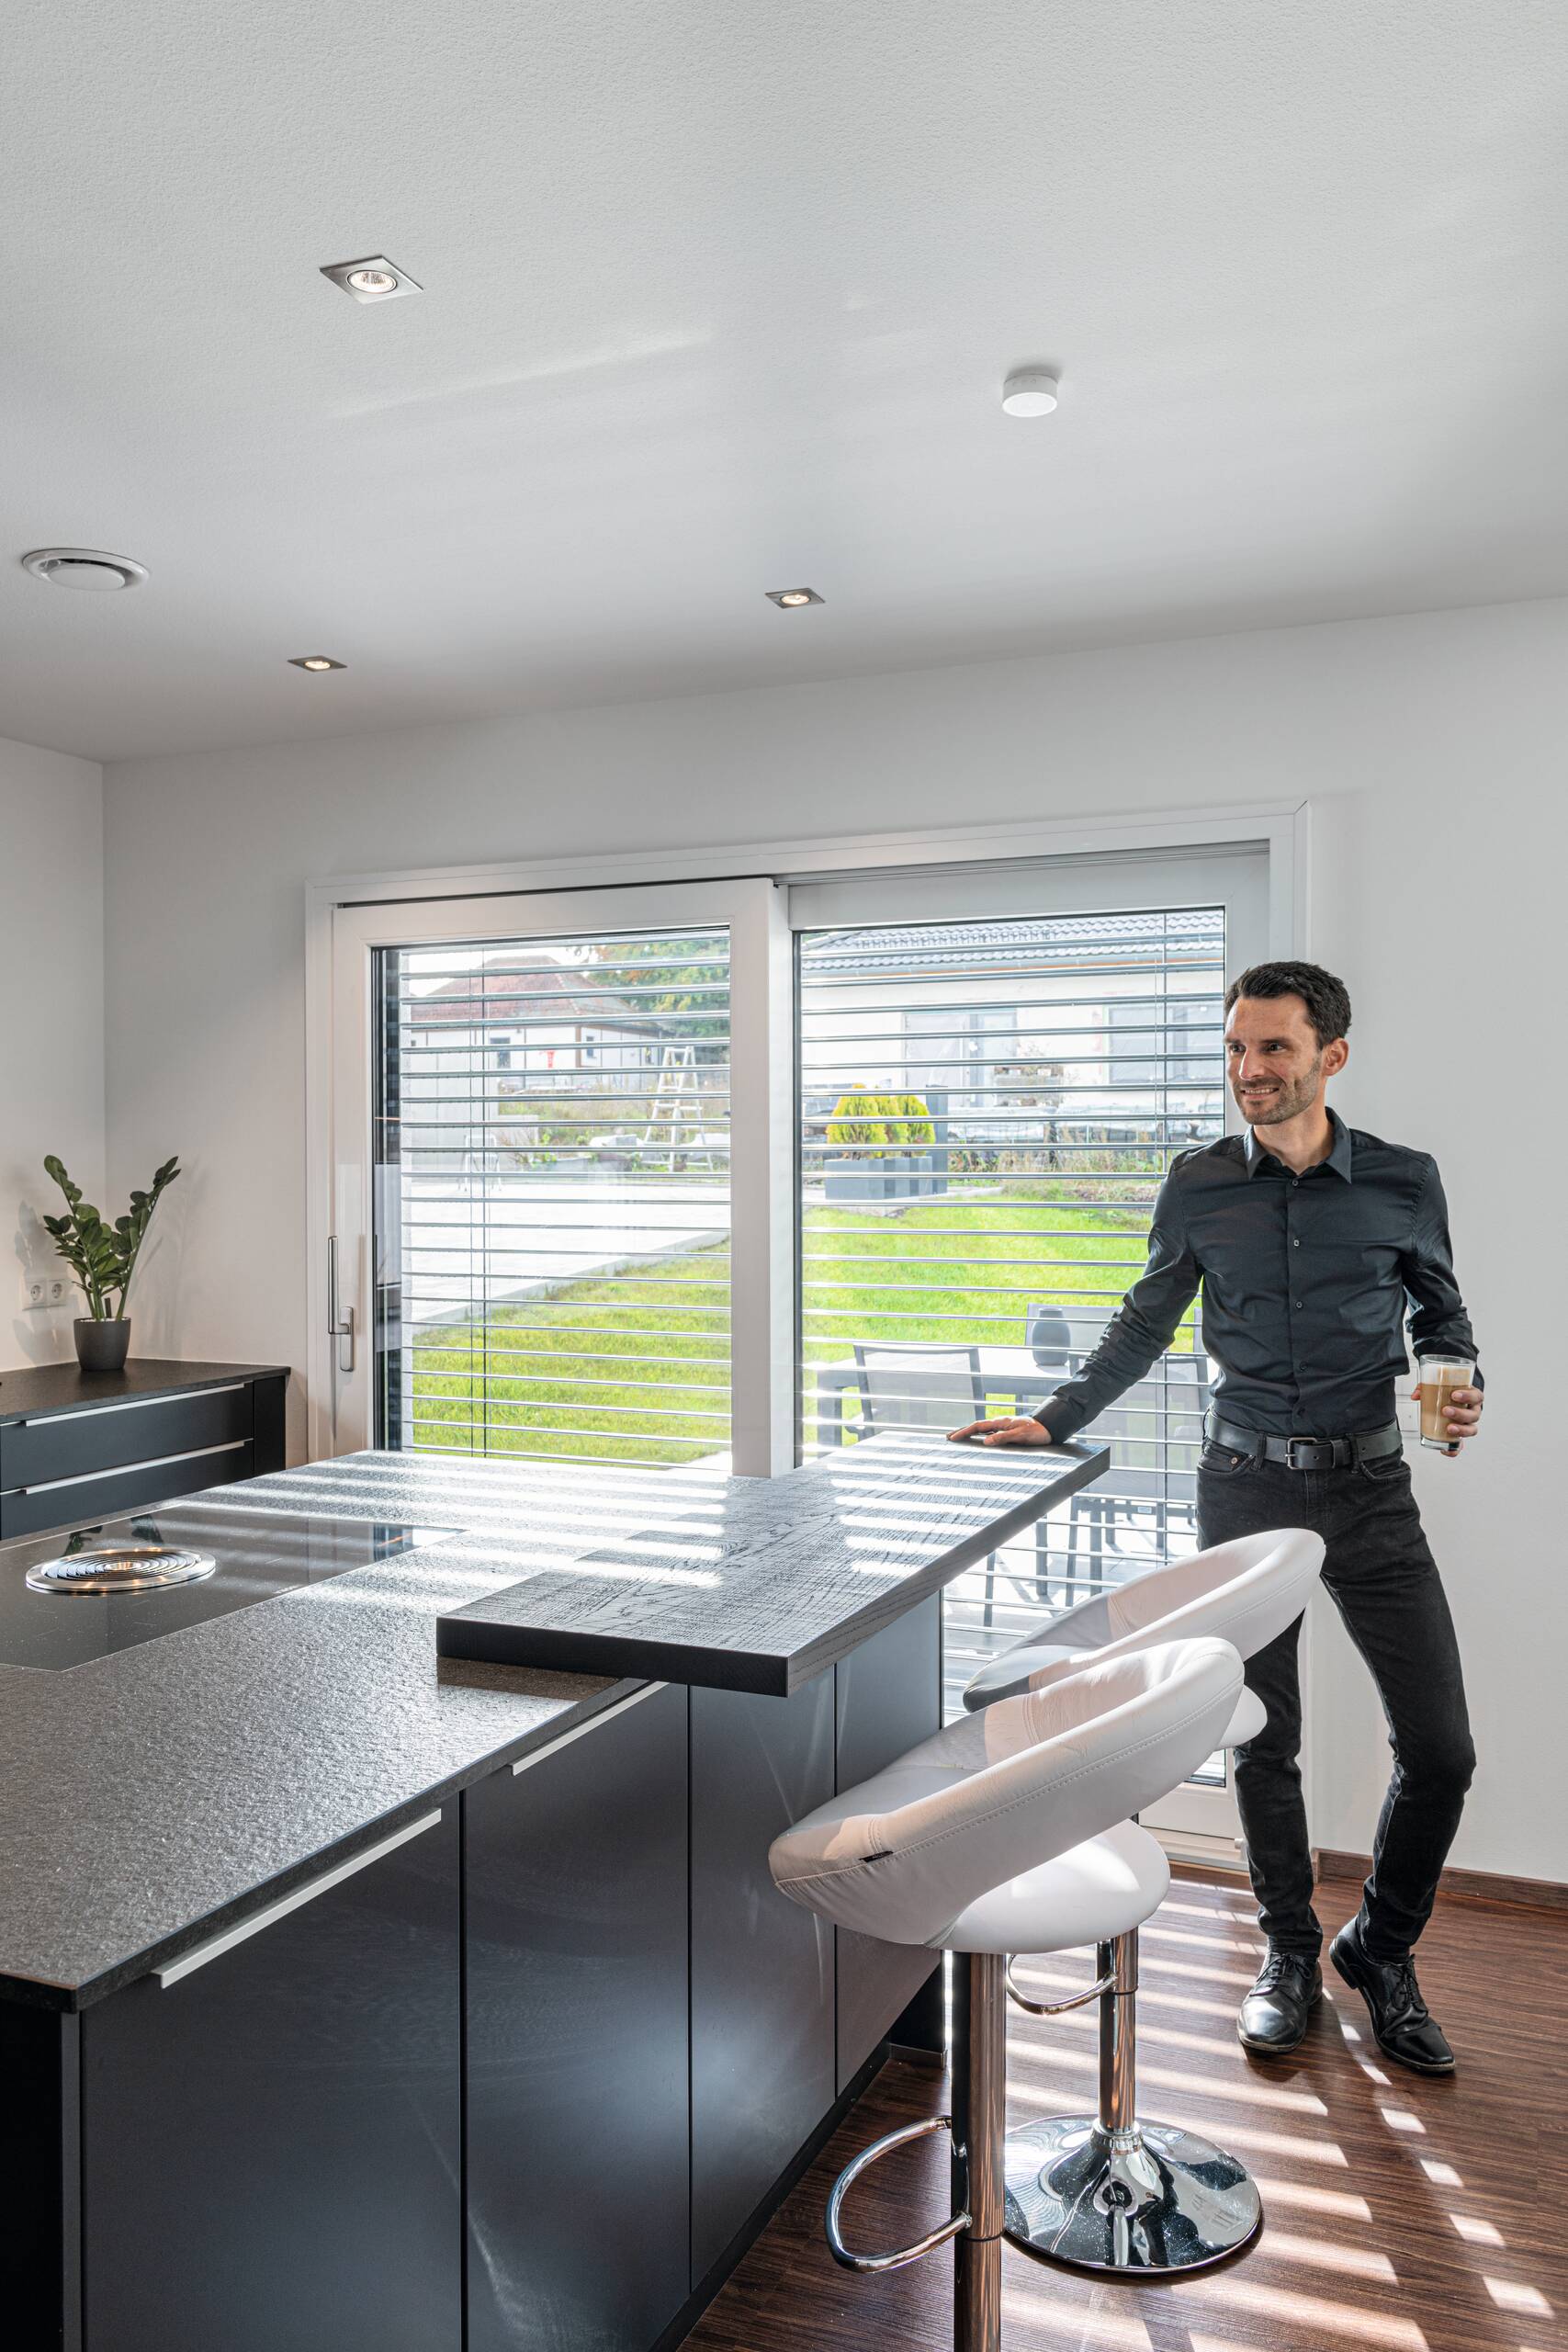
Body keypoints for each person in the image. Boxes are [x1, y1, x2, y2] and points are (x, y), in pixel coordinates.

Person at [949, 960, 1480, 2075]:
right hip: (1244, 1485)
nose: (1249, 1068)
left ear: (1331, 1055)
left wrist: (1458, 1374)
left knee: (1442, 1749)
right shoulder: (1198, 1184)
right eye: (1237, 1046)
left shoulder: (1404, 1179)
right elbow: (1145, 1321)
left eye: (1273, 1046)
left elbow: (1441, 1313)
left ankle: (1381, 1949)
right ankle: (1287, 1952)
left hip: (1372, 1489)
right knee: (1262, 1737)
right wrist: (1054, 1418)